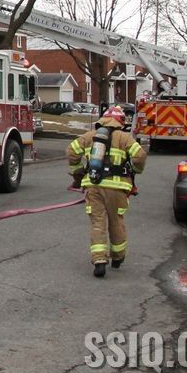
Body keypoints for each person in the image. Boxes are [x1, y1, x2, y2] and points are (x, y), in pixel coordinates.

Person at [66, 105, 147, 278]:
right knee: (116, 222)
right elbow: (140, 156)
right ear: (120, 122)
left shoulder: (89, 137)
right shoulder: (125, 138)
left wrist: (78, 171)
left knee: (98, 223)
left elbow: (71, 151)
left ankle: (99, 261)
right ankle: (117, 257)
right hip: (117, 188)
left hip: (93, 187)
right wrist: (135, 170)